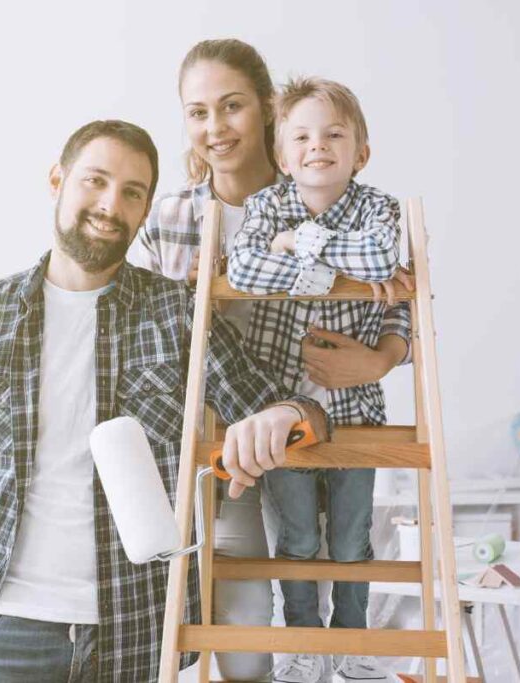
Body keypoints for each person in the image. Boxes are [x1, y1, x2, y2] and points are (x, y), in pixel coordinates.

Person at [0, 119, 330, 683]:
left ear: (145, 210)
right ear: (57, 179)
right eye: (94, 181)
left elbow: (293, 410)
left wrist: (286, 415)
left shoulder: (176, 314)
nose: (109, 204)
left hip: (138, 633)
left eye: (131, 192)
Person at [130, 39, 412, 683]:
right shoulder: (174, 215)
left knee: (337, 550)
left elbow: (396, 293)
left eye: (231, 107)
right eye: (197, 112)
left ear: (266, 111)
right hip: (219, 443)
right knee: (250, 633)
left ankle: (345, 652)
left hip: (314, 421)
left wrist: (379, 361)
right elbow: (146, 332)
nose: (215, 127)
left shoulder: (324, 192)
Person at [228, 76, 411, 683]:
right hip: (282, 404)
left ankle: (354, 647)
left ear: (360, 151)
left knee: (353, 537)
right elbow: (247, 266)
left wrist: (301, 246)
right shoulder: (266, 206)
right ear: (282, 156)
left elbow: (385, 262)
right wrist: (329, 259)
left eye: (334, 134)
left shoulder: (380, 208)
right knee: (300, 538)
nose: (318, 146)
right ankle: (302, 645)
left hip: (358, 407)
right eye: (302, 136)